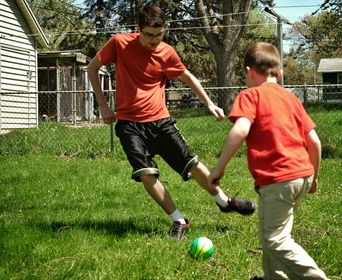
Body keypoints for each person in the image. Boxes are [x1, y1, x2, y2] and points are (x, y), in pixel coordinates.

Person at [87, 4, 256, 240]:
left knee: (193, 164)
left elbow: (187, 77)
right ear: (138, 29)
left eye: (159, 34)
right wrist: (103, 104)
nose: (154, 40)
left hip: (160, 122)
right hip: (129, 124)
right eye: (149, 35)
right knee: (146, 175)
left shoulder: (166, 52)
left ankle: (224, 201)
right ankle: (179, 220)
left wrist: (209, 103)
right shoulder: (119, 43)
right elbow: (92, 68)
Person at [208, 42, 329, 279]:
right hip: (302, 176)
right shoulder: (291, 98)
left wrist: (218, 168)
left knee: (275, 239)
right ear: (279, 73)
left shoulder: (250, 95)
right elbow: (314, 141)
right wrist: (313, 177)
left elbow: (240, 130)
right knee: (273, 232)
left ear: (248, 71)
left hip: (278, 179)